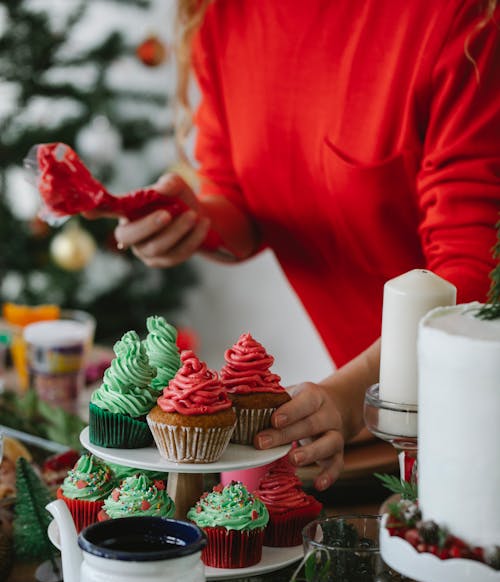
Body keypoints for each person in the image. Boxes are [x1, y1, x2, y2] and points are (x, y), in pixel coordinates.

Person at [113, 0, 500, 491]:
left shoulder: (465, 16)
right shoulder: (224, 15)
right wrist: (191, 222)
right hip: (377, 419)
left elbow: (472, 277)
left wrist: (350, 396)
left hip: (480, 403)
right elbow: (237, 198)